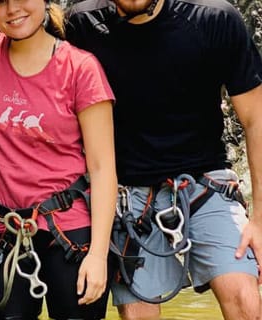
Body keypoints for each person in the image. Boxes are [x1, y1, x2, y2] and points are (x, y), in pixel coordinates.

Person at [66, 0, 262, 318]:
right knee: (138, 314)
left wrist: (260, 222)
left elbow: (256, 119)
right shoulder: (82, 25)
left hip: (205, 184)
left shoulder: (213, 18)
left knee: (245, 300)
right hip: (127, 195)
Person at [0, 0, 117, 317]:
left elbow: (102, 169)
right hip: (2, 231)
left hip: (70, 235)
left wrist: (98, 256)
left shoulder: (80, 67)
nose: (12, 9)